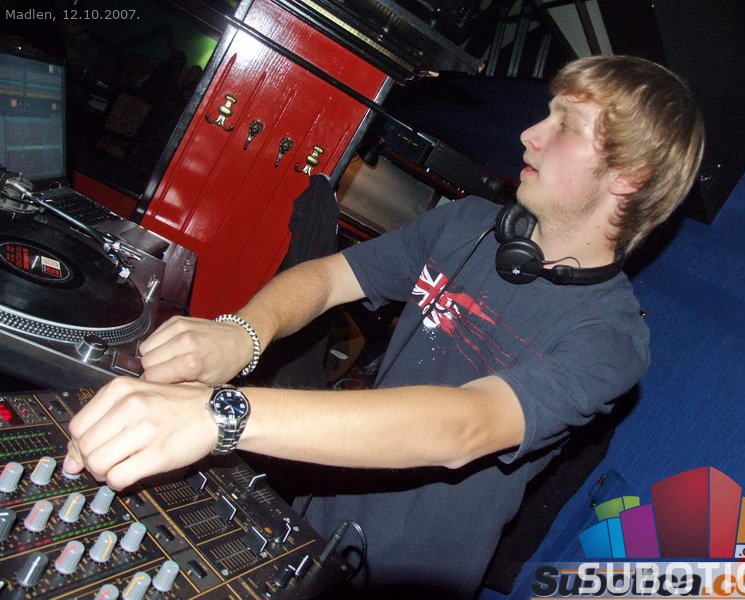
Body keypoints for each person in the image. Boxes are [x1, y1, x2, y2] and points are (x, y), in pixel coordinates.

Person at [64, 55, 704, 598]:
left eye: (565, 126)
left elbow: (465, 425)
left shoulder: (611, 341)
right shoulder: (466, 224)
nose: (530, 134)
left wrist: (222, 413)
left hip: (403, 580)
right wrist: (244, 333)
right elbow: (329, 277)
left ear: (629, 177)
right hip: (307, 523)